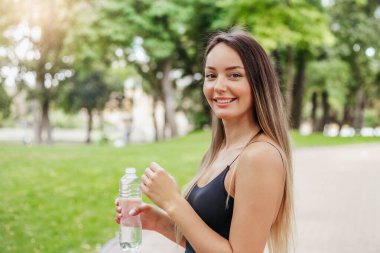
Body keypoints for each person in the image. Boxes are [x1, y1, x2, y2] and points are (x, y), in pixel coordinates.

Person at [115, 28, 294, 253]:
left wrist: (173, 202)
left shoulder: (260, 156)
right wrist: (158, 221)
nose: (218, 86)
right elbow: (206, 242)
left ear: (258, 83)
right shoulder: (219, 151)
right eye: (211, 75)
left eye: (234, 75)